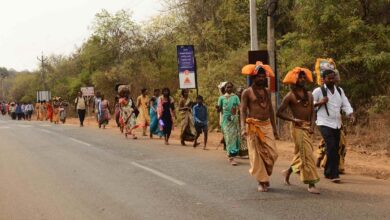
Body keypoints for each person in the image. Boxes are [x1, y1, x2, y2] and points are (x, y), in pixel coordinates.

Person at [277, 67, 320, 194]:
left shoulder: (310, 95)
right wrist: (292, 119)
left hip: (308, 128)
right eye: (299, 77)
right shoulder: (289, 96)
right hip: (297, 128)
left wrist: (312, 126)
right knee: (307, 155)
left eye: (303, 77)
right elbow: (279, 113)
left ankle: (287, 172)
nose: (302, 79)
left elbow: (313, 112)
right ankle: (311, 183)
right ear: (294, 80)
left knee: (302, 154)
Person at [240, 62, 279, 192]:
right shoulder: (247, 92)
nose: (262, 78)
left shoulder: (267, 91)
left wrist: (274, 127)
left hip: (266, 125)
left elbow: (271, 110)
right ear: (253, 78)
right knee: (256, 155)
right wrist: (242, 128)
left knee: (273, 153)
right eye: (259, 76)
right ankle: (262, 181)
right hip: (253, 126)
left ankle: (265, 174)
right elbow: (243, 111)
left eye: (263, 76)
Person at [313, 69, 355, 183]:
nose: (332, 80)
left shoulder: (339, 91)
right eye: (329, 78)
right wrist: (320, 102)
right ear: (323, 79)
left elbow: (345, 104)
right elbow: (308, 104)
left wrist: (350, 114)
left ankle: (327, 171)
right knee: (331, 146)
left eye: (333, 78)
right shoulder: (319, 91)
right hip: (323, 122)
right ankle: (334, 174)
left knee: (334, 148)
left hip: (336, 123)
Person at [217, 82, 241, 166]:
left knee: (234, 138)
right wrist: (218, 108)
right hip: (225, 121)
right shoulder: (221, 98)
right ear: (225, 88)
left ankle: (231, 155)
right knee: (228, 137)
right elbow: (219, 110)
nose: (229, 89)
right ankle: (231, 157)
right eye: (227, 87)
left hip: (234, 120)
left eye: (230, 87)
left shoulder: (235, 97)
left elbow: (240, 107)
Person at [236, 87, 248, 157]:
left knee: (244, 138)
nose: (240, 94)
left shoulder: (246, 100)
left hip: (245, 121)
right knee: (238, 138)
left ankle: (245, 153)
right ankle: (238, 152)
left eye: (241, 92)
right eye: (239, 92)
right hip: (236, 121)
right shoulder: (235, 100)